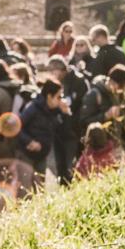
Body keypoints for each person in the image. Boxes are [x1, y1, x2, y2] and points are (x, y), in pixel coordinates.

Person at [16, 79, 70, 185]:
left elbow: (66, 131)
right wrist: (29, 141)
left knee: (39, 189)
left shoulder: (56, 111)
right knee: (25, 189)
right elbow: (17, 127)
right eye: (58, 97)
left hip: (42, 155)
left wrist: (66, 114)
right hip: (27, 155)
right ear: (49, 96)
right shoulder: (33, 108)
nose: (61, 100)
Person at [46, 55, 90, 184]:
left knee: (72, 164)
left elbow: (79, 103)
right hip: (59, 128)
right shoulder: (56, 81)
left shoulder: (78, 80)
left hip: (74, 129)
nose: (52, 74)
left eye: (53, 70)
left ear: (61, 69)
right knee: (60, 164)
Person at [80, 65, 125, 131]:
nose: (121, 90)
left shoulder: (116, 94)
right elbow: (84, 122)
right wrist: (105, 115)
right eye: (121, 87)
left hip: (113, 137)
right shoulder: (94, 94)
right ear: (113, 82)